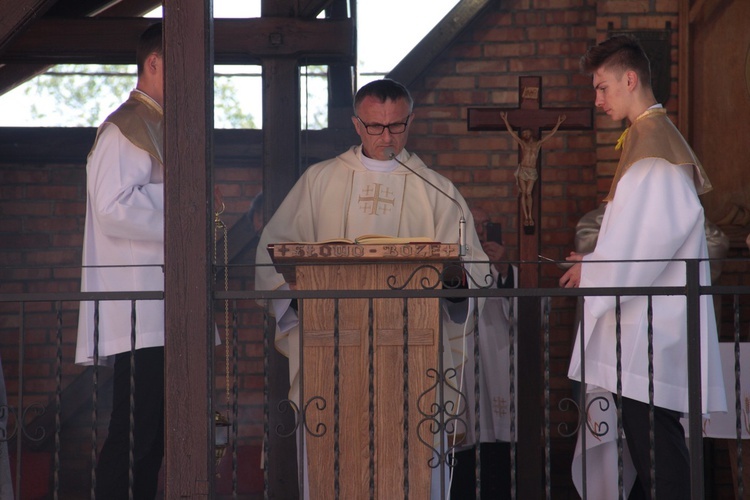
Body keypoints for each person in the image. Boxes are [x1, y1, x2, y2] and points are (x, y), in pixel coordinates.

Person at [255, 78, 489, 498]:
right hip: (333, 353)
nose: (387, 137)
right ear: (357, 125)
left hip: (413, 357)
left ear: (410, 121)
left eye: (397, 126)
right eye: (376, 126)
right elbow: (270, 261)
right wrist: (298, 293)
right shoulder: (319, 183)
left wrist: (457, 282)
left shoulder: (436, 190)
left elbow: (474, 273)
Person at [559, 35, 726, 499]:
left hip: (651, 335)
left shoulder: (653, 146)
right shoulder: (647, 138)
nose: (597, 100)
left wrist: (593, 273)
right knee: (652, 448)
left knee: (660, 453)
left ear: (630, 79)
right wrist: (594, 261)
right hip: (646, 329)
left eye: (602, 88)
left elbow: (650, 243)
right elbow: (640, 234)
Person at [75, 23, 166, 500]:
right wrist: (184, 204)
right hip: (140, 308)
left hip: (161, 305)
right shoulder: (125, 127)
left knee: (155, 435)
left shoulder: (156, 123)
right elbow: (112, 209)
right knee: (135, 432)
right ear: (153, 63)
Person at [449, 205, 516, 499]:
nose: (479, 232)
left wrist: (504, 268)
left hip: (495, 363)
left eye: (485, 226)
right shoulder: (451, 267)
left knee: (496, 448)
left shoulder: (500, 267)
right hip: (461, 362)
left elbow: (525, 316)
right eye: (473, 226)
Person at [500, 112, 565, 227]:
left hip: (531, 171)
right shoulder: (523, 144)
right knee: (524, 193)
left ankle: (530, 215)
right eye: (523, 132)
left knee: (529, 193)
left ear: (530, 133)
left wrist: (558, 123)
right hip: (523, 170)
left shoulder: (537, 144)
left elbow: (550, 134)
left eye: (526, 132)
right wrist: (505, 120)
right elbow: (511, 133)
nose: (524, 133)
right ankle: (526, 216)